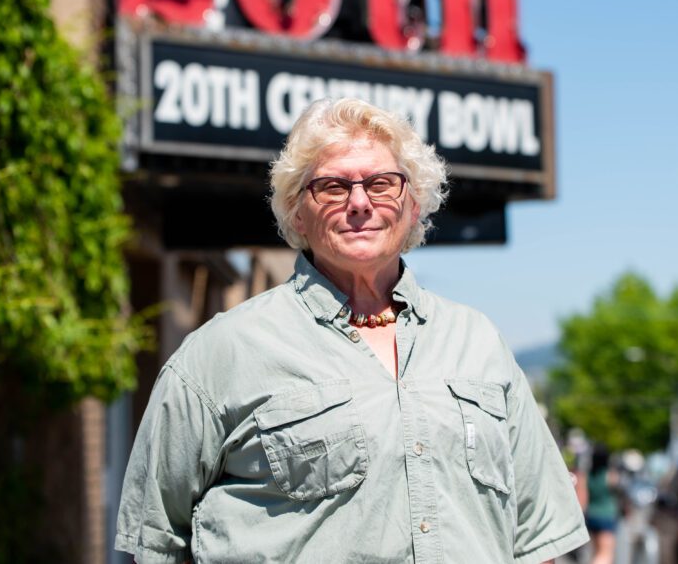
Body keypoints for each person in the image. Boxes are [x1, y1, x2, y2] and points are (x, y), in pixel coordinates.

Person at [114, 98, 589, 563]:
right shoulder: (219, 353)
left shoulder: (480, 342)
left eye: (382, 183)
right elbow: (155, 542)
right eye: (333, 187)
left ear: (413, 204)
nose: (360, 202)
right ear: (297, 212)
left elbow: (536, 539)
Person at [582, 444, 619, 564]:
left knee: (597, 551)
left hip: (592, 514)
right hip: (606, 516)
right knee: (605, 554)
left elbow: (584, 497)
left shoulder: (588, 475)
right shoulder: (609, 475)